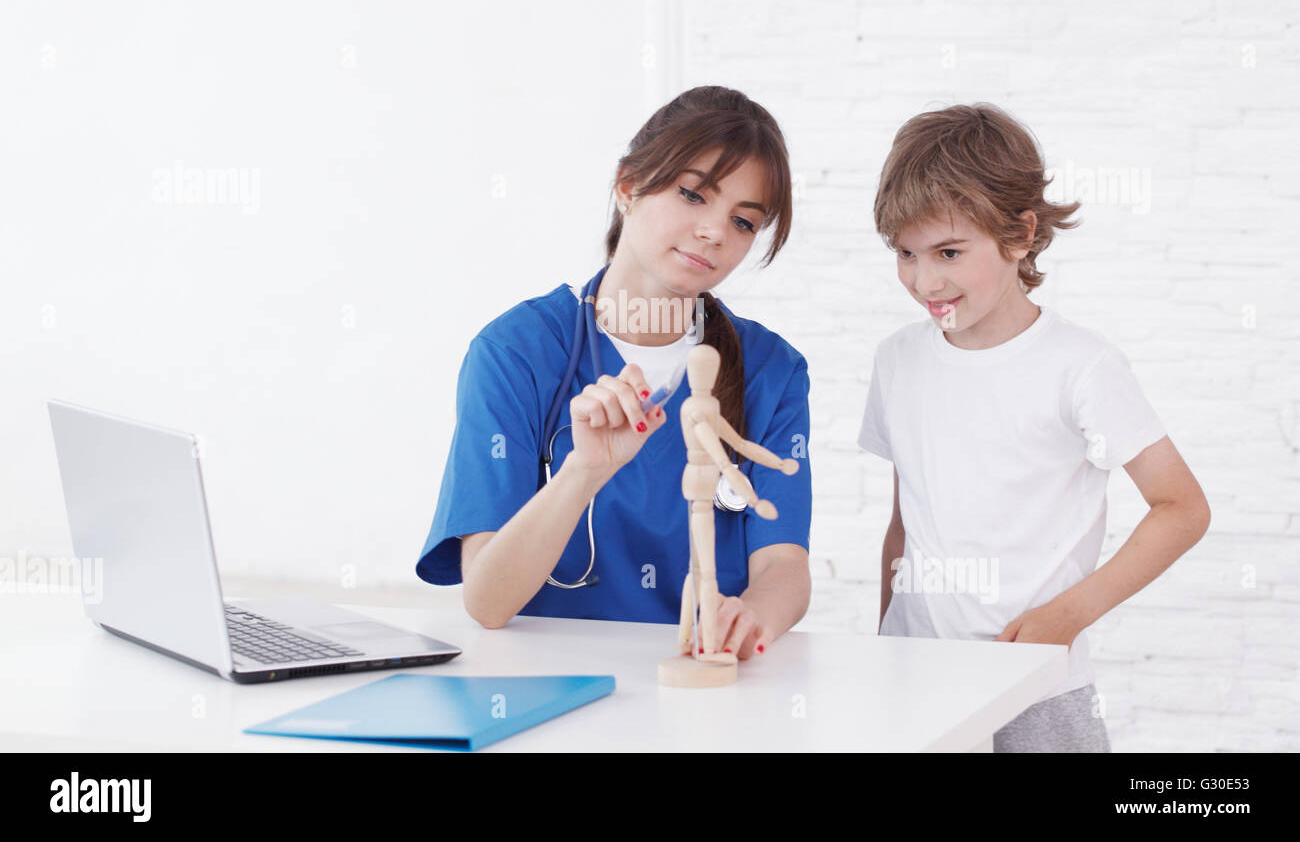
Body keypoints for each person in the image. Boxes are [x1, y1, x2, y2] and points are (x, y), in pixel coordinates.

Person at [858, 103, 1211, 751]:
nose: (923, 279)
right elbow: (904, 521)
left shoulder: (1080, 365)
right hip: (918, 679)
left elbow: (1181, 507)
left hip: (1037, 687)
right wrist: (885, 644)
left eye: (949, 251)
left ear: (1019, 236)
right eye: (905, 253)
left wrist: (1070, 614)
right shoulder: (897, 361)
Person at [416, 85, 812, 660]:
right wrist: (582, 471)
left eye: (744, 222)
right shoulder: (516, 353)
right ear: (629, 186)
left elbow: (783, 564)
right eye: (693, 195)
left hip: (704, 686)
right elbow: (486, 602)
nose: (715, 232)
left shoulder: (771, 371)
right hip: (548, 686)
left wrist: (752, 617)